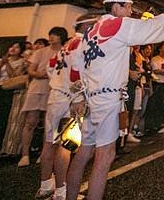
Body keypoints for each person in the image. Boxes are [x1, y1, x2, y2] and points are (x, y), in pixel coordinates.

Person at [65, 0, 164, 200]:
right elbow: (149, 28)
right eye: (127, 8)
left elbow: (77, 66)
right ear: (115, 7)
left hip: (90, 98)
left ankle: (69, 196)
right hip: (107, 99)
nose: (130, 12)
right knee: (105, 156)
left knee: (83, 153)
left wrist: (77, 97)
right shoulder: (116, 25)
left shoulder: (90, 32)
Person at [35, 15, 99, 200]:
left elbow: (50, 67)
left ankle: (46, 184)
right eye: (95, 26)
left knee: (50, 142)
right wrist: (78, 97)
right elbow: (76, 74)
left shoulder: (65, 46)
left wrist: (58, 83)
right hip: (69, 99)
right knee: (66, 145)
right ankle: (61, 192)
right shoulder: (82, 44)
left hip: (55, 95)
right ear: (87, 26)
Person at [19, 27, 69, 169]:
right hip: (37, 88)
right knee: (31, 121)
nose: (52, 37)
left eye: (56, 35)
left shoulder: (65, 51)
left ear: (62, 37)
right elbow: (31, 70)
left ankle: (44, 153)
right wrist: (38, 74)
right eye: (51, 34)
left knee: (50, 124)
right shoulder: (40, 52)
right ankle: (25, 154)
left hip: (53, 90)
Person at [0, 41, 30, 156]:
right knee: (13, 120)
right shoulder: (23, 63)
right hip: (17, 93)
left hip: (25, 92)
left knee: (20, 121)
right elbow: (14, 77)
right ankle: (8, 148)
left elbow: (14, 76)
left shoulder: (25, 63)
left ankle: (15, 148)